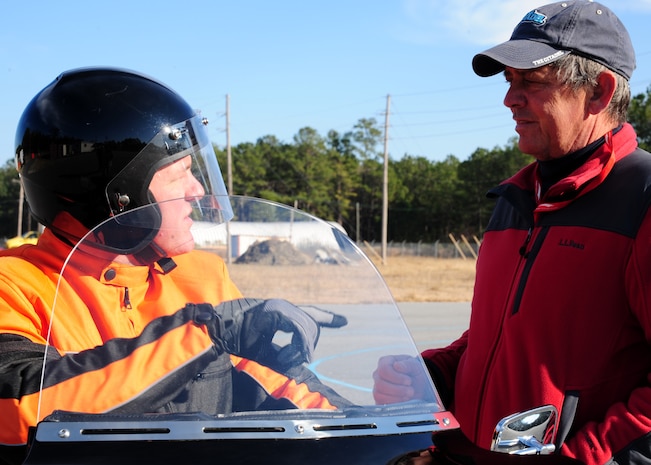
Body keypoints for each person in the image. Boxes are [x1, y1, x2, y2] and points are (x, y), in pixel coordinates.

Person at [0, 67, 348, 465]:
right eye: (181, 173)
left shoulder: (199, 277)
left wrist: (369, 433)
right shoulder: (15, 286)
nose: (197, 189)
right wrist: (206, 331)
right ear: (117, 194)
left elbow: (278, 386)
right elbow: (19, 404)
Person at [373, 2, 651, 464]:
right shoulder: (515, 199)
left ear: (599, 92)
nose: (510, 99)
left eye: (532, 82)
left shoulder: (641, 198)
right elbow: (497, 337)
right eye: (509, 81)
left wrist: (585, 458)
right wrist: (431, 375)